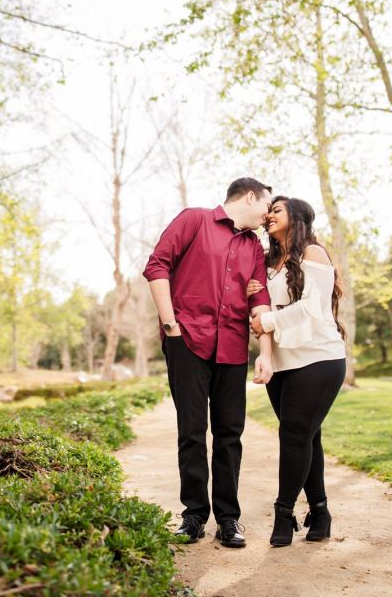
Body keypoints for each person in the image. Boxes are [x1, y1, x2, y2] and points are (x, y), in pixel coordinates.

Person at [143, 177, 274, 548]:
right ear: (250, 197)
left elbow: (259, 301)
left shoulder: (254, 246)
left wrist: (265, 353)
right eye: (267, 206)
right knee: (192, 430)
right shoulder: (194, 220)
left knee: (230, 433)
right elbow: (157, 266)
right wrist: (170, 325)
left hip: (232, 346)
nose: (267, 216)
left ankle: (228, 518)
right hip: (187, 341)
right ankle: (194, 515)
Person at [249, 195, 346, 547]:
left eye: (277, 210)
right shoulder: (267, 263)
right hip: (284, 363)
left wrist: (267, 320)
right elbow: (259, 309)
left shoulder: (313, 254)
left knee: (293, 435)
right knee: (306, 436)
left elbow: (313, 307)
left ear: (297, 216)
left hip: (319, 358)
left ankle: (283, 513)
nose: (269, 215)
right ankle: (320, 512)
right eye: (268, 211)